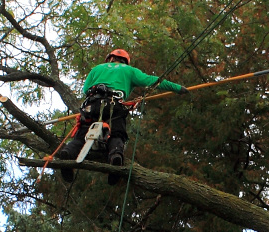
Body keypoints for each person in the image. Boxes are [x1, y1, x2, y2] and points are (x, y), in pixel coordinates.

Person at [57, 48, 188, 184]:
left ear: (110, 58)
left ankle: (68, 152)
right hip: (114, 105)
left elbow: (85, 89)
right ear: (125, 61)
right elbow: (151, 80)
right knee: (117, 134)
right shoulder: (129, 70)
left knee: (82, 134)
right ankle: (115, 157)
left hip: (91, 105)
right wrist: (177, 88)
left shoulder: (97, 68)